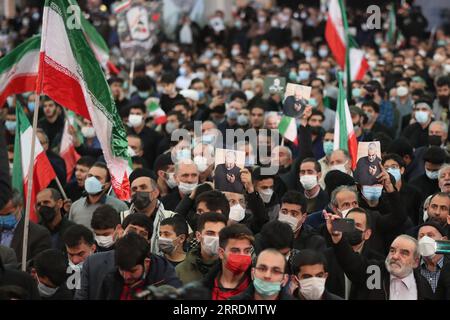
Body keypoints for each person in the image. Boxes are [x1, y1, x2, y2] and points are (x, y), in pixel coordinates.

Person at [326, 213, 434, 300]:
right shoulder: (376, 272)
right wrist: (337, 237)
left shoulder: (423, 287)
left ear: (415, 262)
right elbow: (352, 263)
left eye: (404, 253)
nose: (395, 256)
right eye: (392, 250)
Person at [74, 213, 155, 300]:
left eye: (143, 234)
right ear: (120, 230)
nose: (135, 236)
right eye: (132, 231)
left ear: (149, 242)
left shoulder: (158, 268)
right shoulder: (93, 262)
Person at [97, 232, 182, 300]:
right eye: (122, 269)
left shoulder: (167, 284)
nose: (126, 276)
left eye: (132, 271)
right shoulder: (111, 277)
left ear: (146, 262)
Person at [323, 207, 384, 299]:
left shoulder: (376, 262)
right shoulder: (326, 257)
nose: (352, 229)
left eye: (358, 225)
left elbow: (374, 294)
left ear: (367, 234)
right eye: (349, 224)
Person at [122, 168, 178, 254]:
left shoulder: (172, 217)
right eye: (134, 189)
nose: (138, 191)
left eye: (143, 187)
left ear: (155, 192)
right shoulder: (121, 217)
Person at [68, 162, 128, 229]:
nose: (91, 180)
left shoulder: (120, 206)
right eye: (90, 176)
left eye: (97, 178)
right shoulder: (75, 206)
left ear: (107, 185)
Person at [202, 224, 254, 300]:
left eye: (247, 251)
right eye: (235, 251)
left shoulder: (259, 290)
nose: (242, 255)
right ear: (221, 253)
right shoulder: (203, 289)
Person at [0, 191, 51, 266]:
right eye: (0, 214)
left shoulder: (38, 234)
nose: (4, 218)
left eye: (8, 214)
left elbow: (37, 267)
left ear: (20, 206)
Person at [176, 212, 228, 285]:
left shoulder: (231, 270)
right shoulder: (180, 271)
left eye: (221, 234)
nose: (217, 238)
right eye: (210, 233)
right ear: (198, 236)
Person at [382, 154, 422, 226]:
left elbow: (418, 217)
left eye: (394, 167)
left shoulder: (414, 192)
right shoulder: (380, 193)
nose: (390, 171)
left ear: (402, 170)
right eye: (386, 168)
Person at [417, 221, 449, 293]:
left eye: (430, 235)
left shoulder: (448, 266)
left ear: (444, 240)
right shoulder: (413, 267)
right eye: (421, 236)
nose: (425, 240)